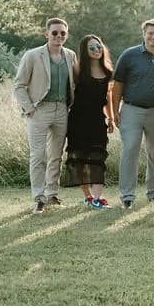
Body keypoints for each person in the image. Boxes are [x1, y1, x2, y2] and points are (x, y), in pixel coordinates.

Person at [13, 18, 78, 214]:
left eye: (62, 33)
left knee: (56, 156)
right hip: (39, 110)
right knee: (38, 155)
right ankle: (38, 198)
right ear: (46, 34)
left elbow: (76, 82)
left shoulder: (70, 55)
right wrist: (29, 108)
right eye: (55, 33)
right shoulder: (33, 56)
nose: (59, 36)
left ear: (67, 35)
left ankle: (52, 195)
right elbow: (19, 85)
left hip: (62, 110)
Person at [112, 19, 154, 209]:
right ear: (144, 34)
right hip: (131, 109)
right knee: (130, 149)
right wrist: (115, 111)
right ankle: (127, 196)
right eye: (150, 33)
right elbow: (117, 86)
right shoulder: (129, 55)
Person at [62, 34, 113, 209]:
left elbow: (108, 97)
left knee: (98, 157)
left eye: (99, 46)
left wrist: (112, 118)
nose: (97, 50)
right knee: (80, 158)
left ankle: (99, 198)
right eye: (92, 48)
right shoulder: (77, 70)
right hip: (78, 119)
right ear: (85, 51)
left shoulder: (107, 72)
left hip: (98, 120)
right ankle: (89, 197)